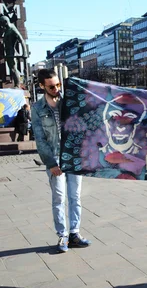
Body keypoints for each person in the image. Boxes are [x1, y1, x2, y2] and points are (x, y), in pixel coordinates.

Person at [30, 69, 91, 253]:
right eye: (51, 86)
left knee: (75, 196)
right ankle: (62, 235)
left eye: (58, 85)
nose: (56, 89)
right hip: (55, 157)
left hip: (73, 155)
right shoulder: (37, 109)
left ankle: (74, 233)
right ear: (42, 86)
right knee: (59, 198)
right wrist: (50, 163)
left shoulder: (69, 102)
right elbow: (40, 140)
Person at [0, 15, 28, 87]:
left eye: (2, 23)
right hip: (8, 52)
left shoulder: (12, 28)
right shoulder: (7, 30)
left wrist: (25, 52)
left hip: (12, 52)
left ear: (5, 22)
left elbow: (21, 40)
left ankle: (18, 84)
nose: (1, 25)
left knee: (13, 69)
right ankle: (20, 81)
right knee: (13, 69)